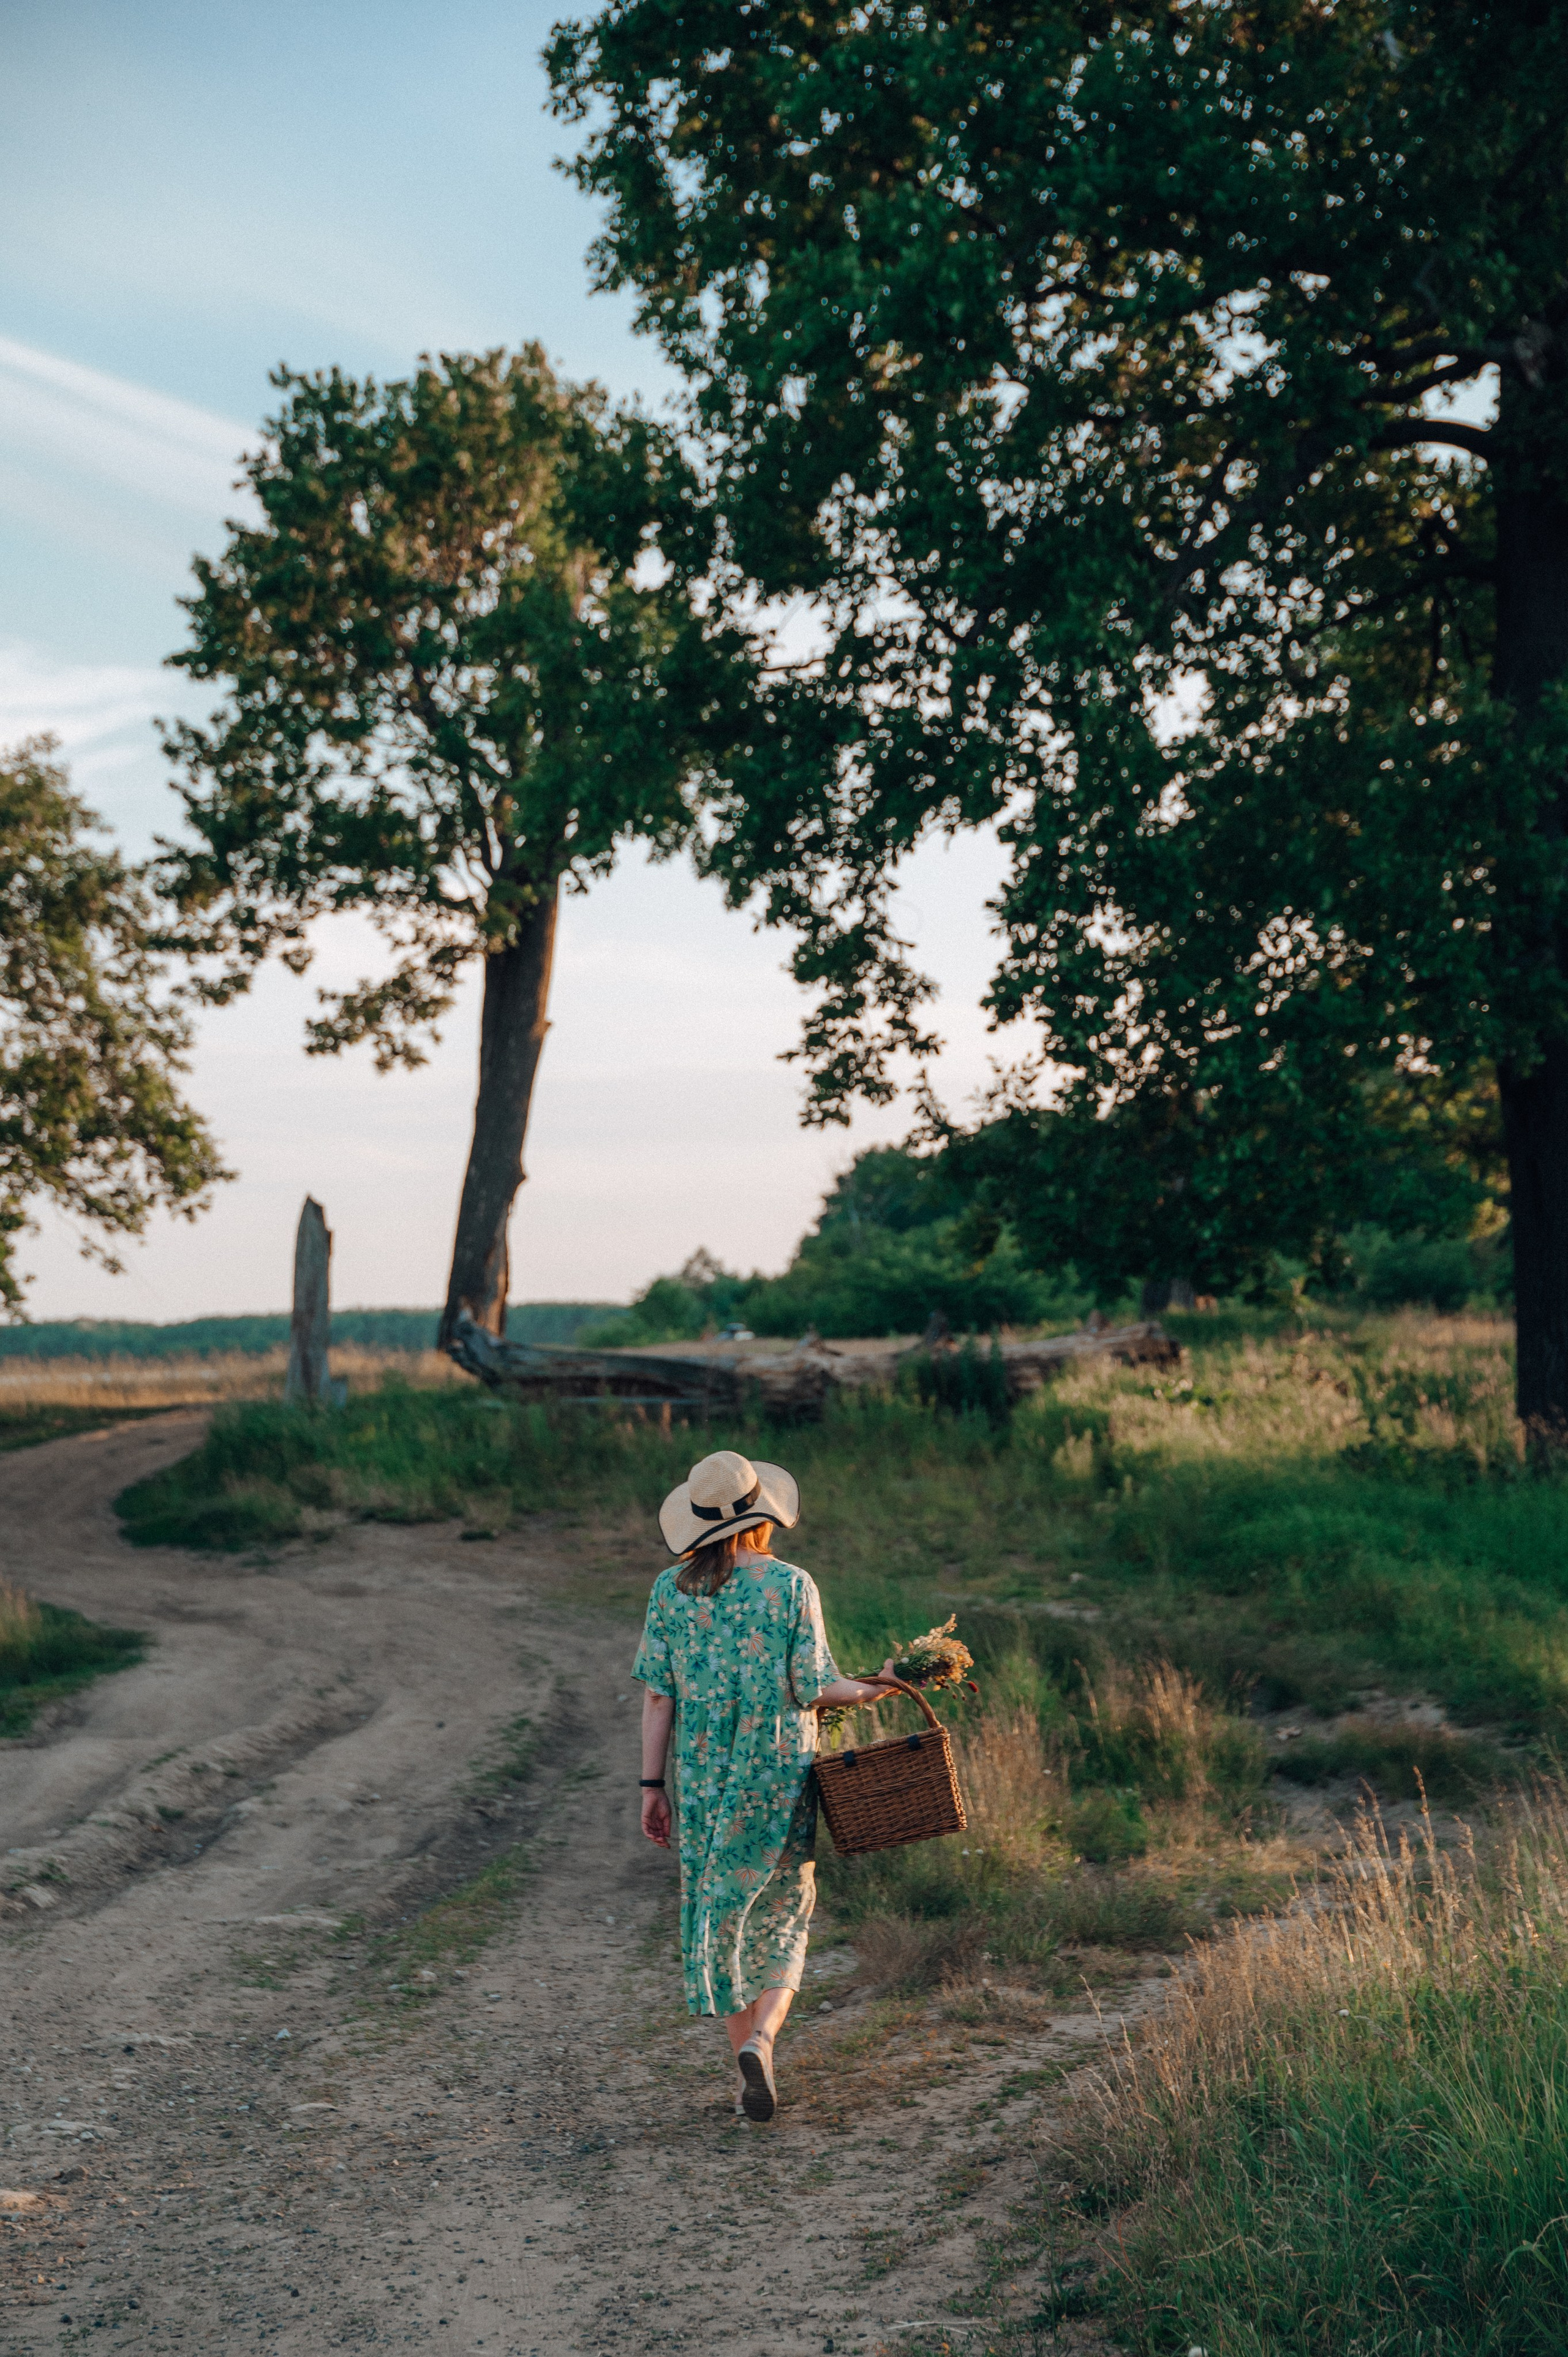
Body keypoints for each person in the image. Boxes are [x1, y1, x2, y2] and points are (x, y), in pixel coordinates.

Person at [633, 1447, 892, 2122]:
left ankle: (745, 2057)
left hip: (705, 1777)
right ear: (761, 1515)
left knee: (719, 1917)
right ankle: (763, 2039)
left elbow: (658, 1698)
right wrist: (876, 1687)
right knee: (783, 1910)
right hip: (777, 1775)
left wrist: (650, 1785)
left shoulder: (670, 1591)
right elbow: (815, 1686)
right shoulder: (790, 1586)